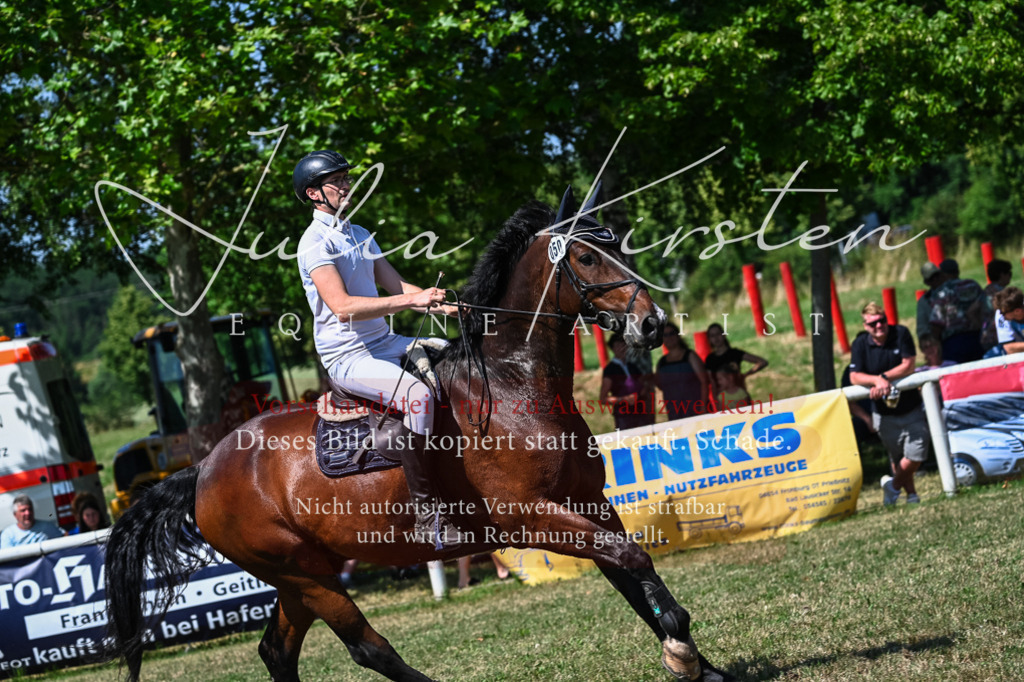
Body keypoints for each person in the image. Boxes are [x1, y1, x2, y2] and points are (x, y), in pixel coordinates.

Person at [293, 150, 462, 548]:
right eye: (337, 181)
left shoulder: (359, 233)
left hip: (385, 342)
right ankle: (429, 515)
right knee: (418, 396)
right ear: (315, 194)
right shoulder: (313, 244)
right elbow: (343, 307)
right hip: (348, 357)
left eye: (346, 178)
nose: (347, 185)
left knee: (458, 361)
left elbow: (400, 288)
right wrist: (411, 303)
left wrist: (451, 305)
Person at [849, 302, 929, 506]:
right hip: (884, 413)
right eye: (873, 323)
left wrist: (883, 377)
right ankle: (911, 495)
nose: (879, 326)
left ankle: (892, 486)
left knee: (917, 453)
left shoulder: (900, 333)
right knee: (897, 456)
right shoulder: (860, 344)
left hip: (911, 406)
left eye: (882, 320)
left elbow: (909, 364)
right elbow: (855, 376)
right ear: (866, 326)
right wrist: (876, 381)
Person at [928, 258, 989, 363]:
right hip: (977, 337)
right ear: (957, 271)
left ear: (942, 274)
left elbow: (937, 322)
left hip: (953, 342)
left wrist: (935, 342)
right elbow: (984, 308)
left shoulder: (941, 291)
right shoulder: (972, 285)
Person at [600, 333, 655, 430]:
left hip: (641, 413)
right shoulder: (610, 370)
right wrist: (624, 399)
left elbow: (643, 385)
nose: (621, 348)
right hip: (624, 416)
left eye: (623, 345)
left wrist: (644, 389)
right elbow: (603, 399)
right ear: (612, 348)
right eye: (618, 345)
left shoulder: (632, 366)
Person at [655, 322, 709, 420]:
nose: (669, 337)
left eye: (671, 333)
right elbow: (660, 385)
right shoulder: (661, 362)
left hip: (695, 409)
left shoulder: (690, 356)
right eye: (665, 335)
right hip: (674, 412)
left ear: (678, 335)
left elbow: (704, 382)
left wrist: (703, 406)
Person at [703, 322, 768, 399]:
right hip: (723, 399)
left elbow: (762, 362)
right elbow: (713, 383)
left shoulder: (735, 353)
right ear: (709, 339)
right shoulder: (710, 359)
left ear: (724, 335)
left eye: (718, 334)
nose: (716, 338)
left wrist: (745, 375)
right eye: (712, 336)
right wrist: (716, 402)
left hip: (740, 396)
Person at [981, 259, 1012, 350]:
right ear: (1002, 274)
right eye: (1009, 273)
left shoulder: (984, 292)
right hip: (1001, 336)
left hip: (986, 336)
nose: (1010, 276)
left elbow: (972, 311)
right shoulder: (1004, 294)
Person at [985, 286, 1024, 357]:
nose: (1001, 315)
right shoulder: (1001, 314)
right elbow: (1009, 348)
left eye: (1003, 313)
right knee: (987, 357)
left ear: (1017, 311)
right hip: (1010, 353)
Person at [916, 261, 950, 342]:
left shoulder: (954, 290)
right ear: (926, 282)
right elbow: (922, 330)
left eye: (937, 275)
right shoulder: (924, 301)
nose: (935, 280)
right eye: (931, 278)